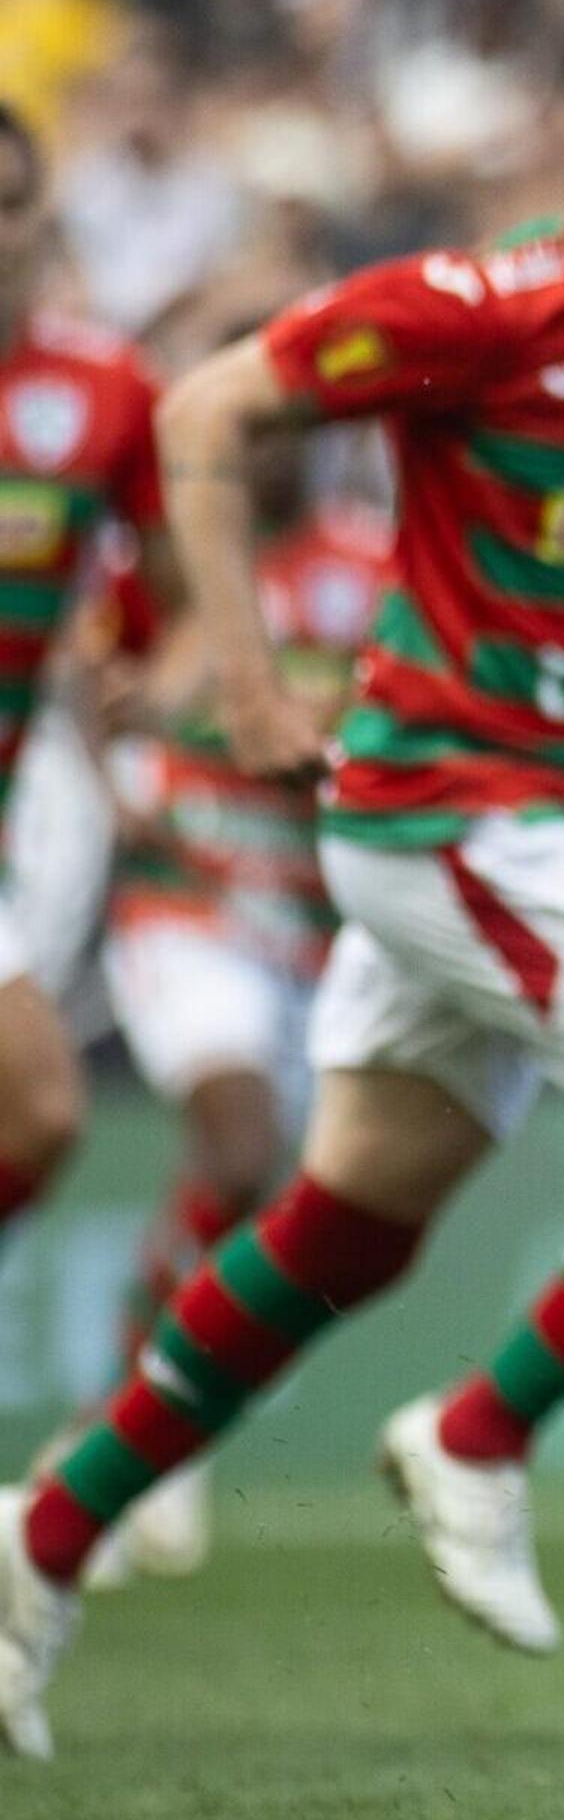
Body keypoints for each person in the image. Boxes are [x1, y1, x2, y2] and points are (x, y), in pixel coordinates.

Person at [0, 8, 564, 1762]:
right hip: (447, 815)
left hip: (559, 825)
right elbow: (207, 411)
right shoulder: (472, 313)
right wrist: (243, 682)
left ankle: (42, 1541)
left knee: (340, 1236)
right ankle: (481, 1435)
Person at [79, 456, 391, 1587]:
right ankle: (125, 1434)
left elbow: (419, 706)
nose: (268, 448)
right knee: (239, 1141)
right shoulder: (174, 555)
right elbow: (85, 658)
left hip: (315, 929)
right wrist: (100, 767)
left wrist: (338, 725)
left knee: (299, 1205)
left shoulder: (377, 563)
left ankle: (135, 1428)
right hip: (190, 898)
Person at [0, 100, 165, 1283]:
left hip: (22, 801)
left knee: (38, 1116)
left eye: (8, 205)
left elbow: (163, 594)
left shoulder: (103, 387)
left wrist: (137, 684)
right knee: (42, 1100)